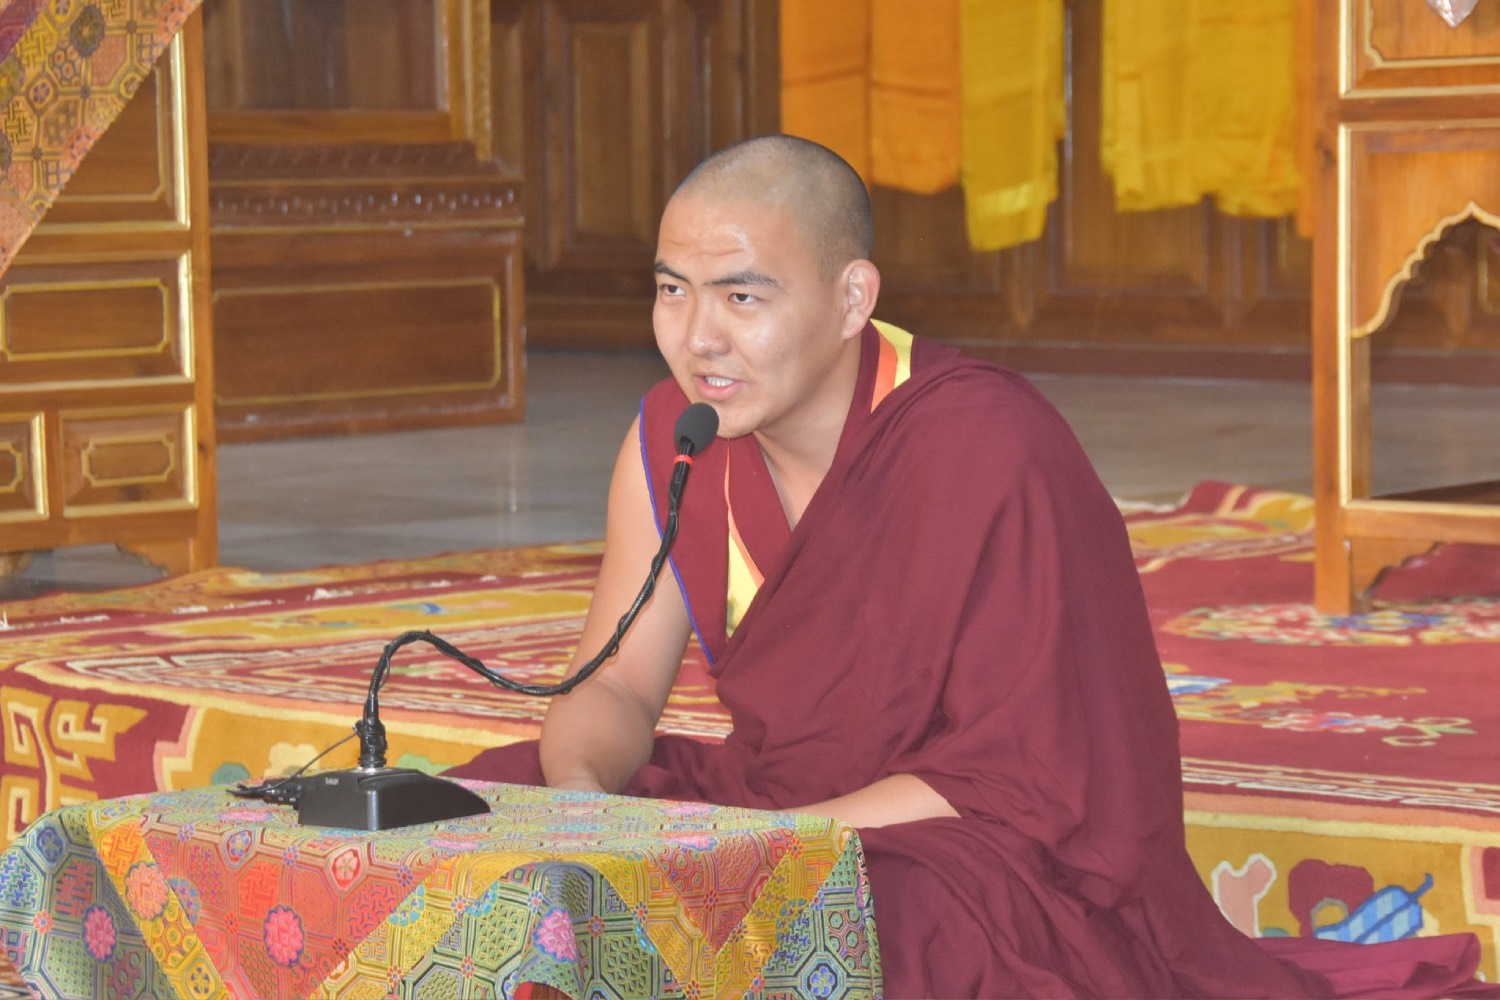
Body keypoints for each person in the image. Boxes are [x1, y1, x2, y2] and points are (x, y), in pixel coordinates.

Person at [450, 134, 1486, 997]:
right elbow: (616, 686)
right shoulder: (674, 438)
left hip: (983, 850)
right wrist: (581, 803)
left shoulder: (988, 446)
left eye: (742, 298)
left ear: (852, 299)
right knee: (472, 813)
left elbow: (1024, 782)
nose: (698, 339)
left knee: (881, 926)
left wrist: (759, 851)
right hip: (775, 806)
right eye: (673, 292)